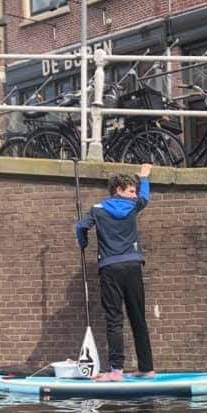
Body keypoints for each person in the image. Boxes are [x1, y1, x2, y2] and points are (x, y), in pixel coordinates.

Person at [76, 163, 155, 382]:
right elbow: (146, 198)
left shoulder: (98, 210)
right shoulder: (133, 207)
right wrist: (145, 177)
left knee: (114, 320)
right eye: (131, 190)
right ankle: (147, 368)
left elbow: (80, 227)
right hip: (133, 266)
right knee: (138, 317)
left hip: (110, 268)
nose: (134, 194)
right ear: (118, 189)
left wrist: (83, 242)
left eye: (135, 191)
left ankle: (116, 371)